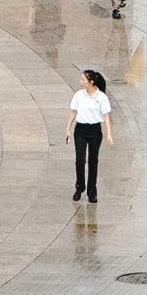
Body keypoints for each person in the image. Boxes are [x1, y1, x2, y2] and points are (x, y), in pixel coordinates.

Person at [65, 69, 113, 203]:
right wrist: (68, 128)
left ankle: (92, 191)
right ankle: (80, 187)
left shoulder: (101, 97)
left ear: (91, 82)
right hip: (81, 130)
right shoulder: (78, 95)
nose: (80, 81)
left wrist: (109, 134)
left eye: (83, 79)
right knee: (80, 160)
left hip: (95, 131)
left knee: (93, 161)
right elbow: (73, 112)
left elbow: (106, 116)